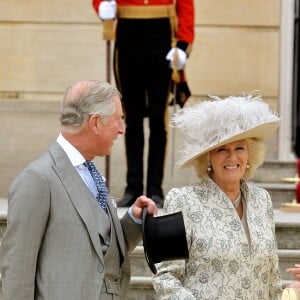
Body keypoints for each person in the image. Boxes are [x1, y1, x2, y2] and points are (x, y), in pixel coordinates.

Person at [0, 80, 158, 300]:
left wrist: (133, 220)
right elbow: (17, 269)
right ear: (95, 123)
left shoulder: (91, 173)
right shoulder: (37, 179)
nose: (122, 129)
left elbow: (100, 248)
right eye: (118, 119)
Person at [152, 94, 283, 299]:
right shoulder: (181, 201)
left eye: (239, 147)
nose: (232, 157)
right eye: (222, 149)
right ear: (208, 158)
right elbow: (166, 279)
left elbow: (272, 277)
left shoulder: (262, 200)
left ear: (250, 155)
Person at [92, 0, 195, 208]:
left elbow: (185, 7)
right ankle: (133, 188)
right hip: (129, 34)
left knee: (158, 119)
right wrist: (101, 6)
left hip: (162, 33)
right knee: (132, 118)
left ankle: (155, 189)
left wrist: (183, 45)